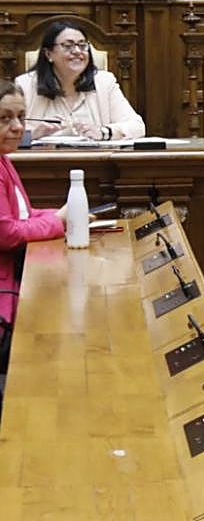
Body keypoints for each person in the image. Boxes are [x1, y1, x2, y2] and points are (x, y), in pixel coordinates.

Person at [0, 78, 68, 327]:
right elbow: (6, 233)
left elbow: (22, 215)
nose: (17, 127)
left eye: (21, 116)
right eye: (5, 118)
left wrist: (59, 215)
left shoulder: (3, 158)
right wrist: (57, 220)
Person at [15, 20, 145, 141]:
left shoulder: (104, 82)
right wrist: (33, 134)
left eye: (82, 45)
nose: (77, 51)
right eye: (68, 46)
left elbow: (137, 127)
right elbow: (4, 134)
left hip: (96, 161)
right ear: (49, 54)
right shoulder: (25, 85)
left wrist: (103, 132)